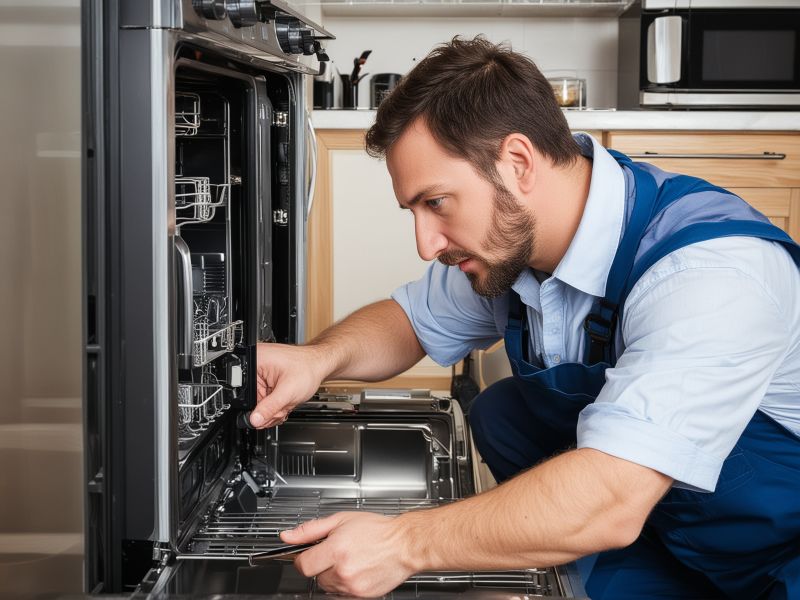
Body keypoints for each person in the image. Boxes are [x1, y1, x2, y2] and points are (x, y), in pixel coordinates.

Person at [252, 37, 800, 599]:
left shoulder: (710, 274)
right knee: (506, 413)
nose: (424, 243)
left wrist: (403, 543)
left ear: (517, 162)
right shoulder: (510, 249)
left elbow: (611, 500)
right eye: (414, 210)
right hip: (662, 535)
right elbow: (409, 321)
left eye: (436, 203)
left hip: (776, 559)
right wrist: (315, 359)